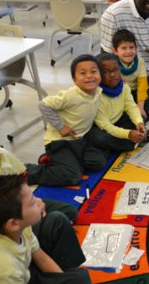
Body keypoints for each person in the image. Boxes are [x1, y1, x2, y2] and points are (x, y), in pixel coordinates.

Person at [0, 117, 78, 251]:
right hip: (7, 226)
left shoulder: (3, 154)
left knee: (70, 212)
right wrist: (30, 220)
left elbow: (22, 181)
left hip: (22, 204)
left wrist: (35, 201)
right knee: (53, 226)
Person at [25, 54, 108, 186]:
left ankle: (58, 161)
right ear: (74, 79)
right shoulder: (70, 95)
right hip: (60, 142)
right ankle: (31, 171)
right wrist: (61, 127)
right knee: (73, 177)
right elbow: (44, 104)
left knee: (99, 162)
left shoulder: (98, 91)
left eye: (93, 71)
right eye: (82, 73)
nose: (89, 76)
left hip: (80, 140)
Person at [88, 52, 149, 154]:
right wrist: (128, 134)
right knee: (99, 138)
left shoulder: (124, 86)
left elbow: (130, 106)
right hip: (100, 127)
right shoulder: (94, 95)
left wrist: (138, 122)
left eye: (116, 70)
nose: (112, 75)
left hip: (118, 119)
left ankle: (131, 139)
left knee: (140, 117)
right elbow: (105, 125)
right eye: (105, 72)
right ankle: (130, 143)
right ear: (97, 74)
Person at [110, 29, 149, 118]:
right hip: (121, 93)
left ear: (136, 48)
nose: (128, 51)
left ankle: (137, 110)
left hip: (134, 92)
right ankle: (129, 112)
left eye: (131, 47)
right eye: (124, 48)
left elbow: (142, 84)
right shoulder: (112, 63)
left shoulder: (140, 61)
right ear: (115, 51)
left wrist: (140, 106)